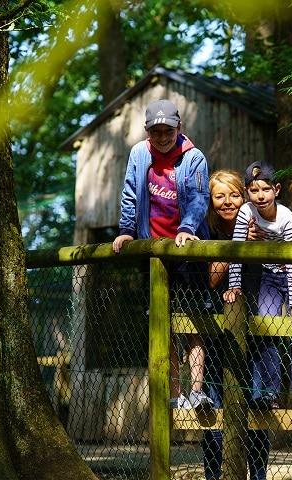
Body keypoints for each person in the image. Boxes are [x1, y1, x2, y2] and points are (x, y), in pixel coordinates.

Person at [112, 99, 213, 411]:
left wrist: (187, 227)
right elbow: (130, 192)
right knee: (163, 323)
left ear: (178, 128)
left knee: (195, 321)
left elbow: (200, 197)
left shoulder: (194, 157)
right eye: (156, 131)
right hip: (154, 251)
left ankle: (196, 390)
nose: (162, 136)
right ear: (147, 131)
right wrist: (127, 229)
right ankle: (174, 393)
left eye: (167, 130)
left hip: (187, 250)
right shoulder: (139, 155)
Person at [200, 169, 269, 480]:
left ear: (244, 197)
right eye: (220, 196)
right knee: (212, 411)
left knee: (258, 409)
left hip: (257, 328)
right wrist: (236, 247)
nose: (228, 202)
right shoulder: (207, 231)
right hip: (217, 333)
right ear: (212, 201)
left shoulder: (261, 224)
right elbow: (211, 279)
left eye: (234, 195)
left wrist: (256, 244)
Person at [223, 161, 292, 421]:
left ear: (276, 189)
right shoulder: (245, 212)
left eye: (265, 189)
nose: (260, 196)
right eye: (254, 190)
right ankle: (269, 393)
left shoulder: (288, 218)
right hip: (269, 277)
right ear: (246, 192)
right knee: (266, 330)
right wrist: (234, 285)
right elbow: (236, 250)